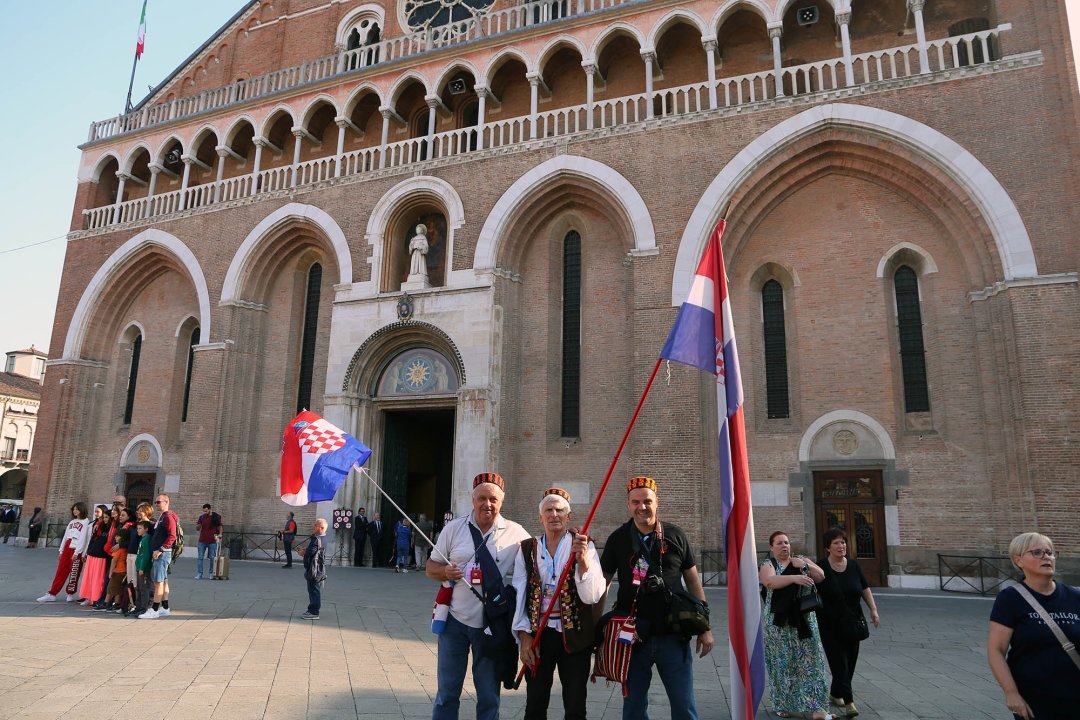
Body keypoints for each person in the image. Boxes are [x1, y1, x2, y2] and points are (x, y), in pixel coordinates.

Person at [599, 477, 714, 720]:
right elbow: (604, 584)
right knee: (633, 708)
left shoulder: (674, 535)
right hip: (632, 637)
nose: (642, 507)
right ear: (628, 505)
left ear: (656, 502)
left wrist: (705, 627)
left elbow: (693, 582)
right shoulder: (618, 539)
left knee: (684, 706)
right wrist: (597, 626)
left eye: (647, 501)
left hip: (673, 635)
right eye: (636, 502)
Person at [427, 473, 531, 720]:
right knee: (447, 692)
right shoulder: (453, 529)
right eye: (482, 498)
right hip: (455, 623)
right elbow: (431, 569)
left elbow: (541, 555)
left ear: (502, 501)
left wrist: (568, 535)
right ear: (472, 499)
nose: (487, 504)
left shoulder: (515, 533)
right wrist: (445, 571)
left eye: (493, 499)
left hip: (491, 625)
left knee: (488, 695)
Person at [513, 488, 604, 720]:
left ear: (569, 516)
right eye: (549, 510)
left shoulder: (583, 544)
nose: (554, 514)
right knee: (534, 704)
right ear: (540, 517)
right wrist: (525, 637)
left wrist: (582, 560)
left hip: (574, 636)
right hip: (538, 635)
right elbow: (520, 596)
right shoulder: (526, 549)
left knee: (575, 706)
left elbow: (592, 595)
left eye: (560, 510)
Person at [988, 532, 1080, 720]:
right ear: (1019, 560)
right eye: (1037, 552)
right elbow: (996, 649)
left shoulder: (1074, 596)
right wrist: (1011, 692)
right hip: (1034, 700)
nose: (1046, 557)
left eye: (1049, 552)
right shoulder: (1010, 599)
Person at [759, 531, 830, 719]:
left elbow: (821, 576)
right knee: (781, 663)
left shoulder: (800, 560)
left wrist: (805, 566)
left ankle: (818, 708)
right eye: (780, 543)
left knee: (813, 660)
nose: (785, 546)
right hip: (778, 622)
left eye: (787, 542)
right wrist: (793, 578)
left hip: (804, 618)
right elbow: (769, 581)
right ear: (772, 547)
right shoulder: (769, 564)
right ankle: (782, 704)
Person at [817, 527, 880, 718]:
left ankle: (836, 694)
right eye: (836, 543)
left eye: (843, 542)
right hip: (829, 624)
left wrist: (874, 609)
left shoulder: (853, 565)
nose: (840, 546)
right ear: (828, 547)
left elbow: (864, 587)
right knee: (839, 664)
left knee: (850, 662)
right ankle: (849, 702)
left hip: (852, 621)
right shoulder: (821, 568)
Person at [38, 502, 91, 602]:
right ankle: (52, 593)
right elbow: (66, 537)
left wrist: (78, 552)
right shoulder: (71, 522)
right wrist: (61, 551)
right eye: (73, 509)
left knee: (74, 571)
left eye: (77, 509)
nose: (75, 511)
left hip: (76, 547)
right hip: (68, 545)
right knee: (61, 570)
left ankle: (70, 593)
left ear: (82, 510)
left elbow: (84, 538)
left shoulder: (86, 522)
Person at [140, 494, 178, 619]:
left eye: (158, 502)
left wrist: (160, 550)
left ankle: (154, 609)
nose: (156, 504)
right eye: (155, 502)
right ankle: (165, 607)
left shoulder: (168, 517)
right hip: (160, 553)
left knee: (158, 582)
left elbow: (172, 536)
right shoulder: (162, 517)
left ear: (166, 502)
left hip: (162, 554)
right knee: (164, 580)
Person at [78, 505, 111, 607]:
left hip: (101, 555)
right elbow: (91, 539)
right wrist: (87, 552)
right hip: (93, 553)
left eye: (106, 517)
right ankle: (88, 597)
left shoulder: (110, 527)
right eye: (95, 512)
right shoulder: (97, 525)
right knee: (89, 577)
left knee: (98, 578)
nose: (104, 519)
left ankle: (95, 598)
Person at [296, 519, 328, 620]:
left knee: (314, 591)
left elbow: (311, 552)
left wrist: (303, 552)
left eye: (316, 525)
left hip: (315, 569)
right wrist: (307, 549)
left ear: (322, 528)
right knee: (312, 590)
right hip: (317, 568)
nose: (313, 526)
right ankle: (311, 609)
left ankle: (314, 612)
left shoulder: (317, 539)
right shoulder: (321, 538)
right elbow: (314, 550)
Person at [195, 503, 222, 579]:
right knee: (200, 557)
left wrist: (220, 534)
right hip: (202, 540)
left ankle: (211, 573)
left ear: (210, 509)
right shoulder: (202, 517)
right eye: (204, 511)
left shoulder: (216, 517)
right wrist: (198, 526)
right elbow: (197, 529)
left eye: (206, 511)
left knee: (212, 558)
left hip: (212, 541)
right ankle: (199, 573)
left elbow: (220, 526)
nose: (205, 513)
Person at [134, 520, 154, 615]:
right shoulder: (143, 538)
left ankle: (144, 608)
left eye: (140, 528)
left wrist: (142, 567)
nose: (138, 530)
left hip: (144, 569)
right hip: (139, 568)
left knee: (144, 588)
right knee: (139, 588)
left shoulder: (147, 539)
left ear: (146, 529)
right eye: (137, 528)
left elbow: (146, 555)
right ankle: (138, 607)